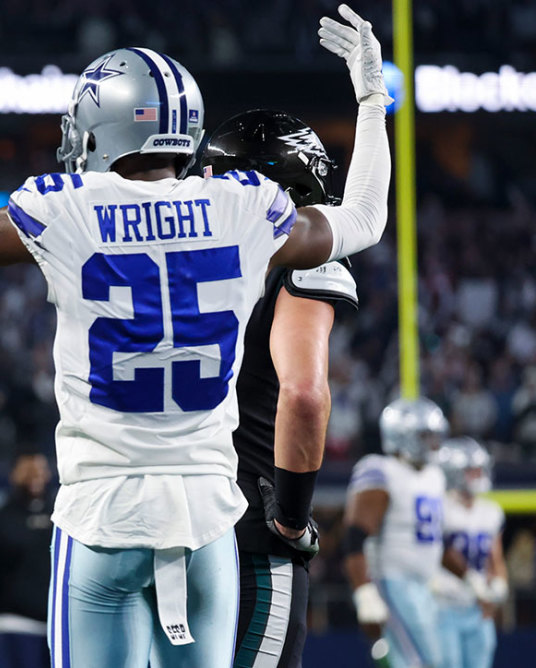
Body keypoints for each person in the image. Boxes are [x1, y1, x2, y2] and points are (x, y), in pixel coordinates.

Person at [0, 1, 391, 664]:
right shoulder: (245, 204)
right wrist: (373, 97)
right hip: (209, 516)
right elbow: (365, 219)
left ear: (102, 125)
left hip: (103, 514)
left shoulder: (63, 208)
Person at [199, 110, 357, 668]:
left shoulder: (172, 251)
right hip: (248, 525)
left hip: (170, 511)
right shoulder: (302, 260)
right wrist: (290, 517)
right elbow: (305, 393)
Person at [343, 398, 477, 668]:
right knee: (421, 661)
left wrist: (470, 578)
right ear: (403, 435)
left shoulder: (434, 476)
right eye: (426, 435)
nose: (434, 443)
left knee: (438, 661)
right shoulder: (380, 470)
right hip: (393, 581)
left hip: (426, 585)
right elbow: (354, 537)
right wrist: (363, 592)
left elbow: (436, 541)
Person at [0, 452, 55, 668]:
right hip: (13, 626)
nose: (35, 477)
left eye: (40, 470)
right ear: (14, 474)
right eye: (28, 471)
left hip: (57, 626)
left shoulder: (62, 517)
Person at [431, 437, 507, 668]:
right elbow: (439, 552)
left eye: (480, 469)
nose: (478, 475)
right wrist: (472, 581)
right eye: (471, 470)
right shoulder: (439, 506)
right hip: (443, 604)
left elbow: (495, 558)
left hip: (477, 606)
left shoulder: (491, 512)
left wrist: (498, 585)